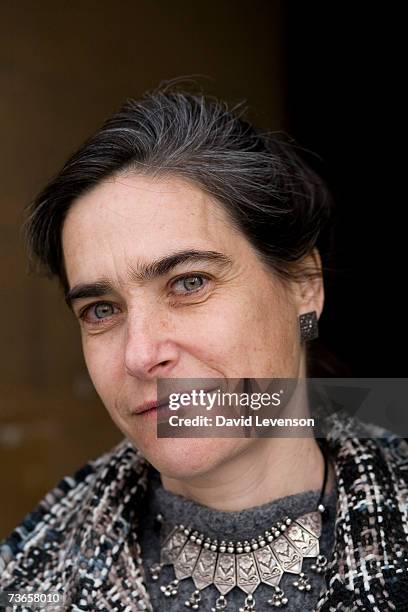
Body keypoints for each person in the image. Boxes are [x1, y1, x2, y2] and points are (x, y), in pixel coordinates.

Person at [1, 82, 407, 612]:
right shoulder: (29, 585)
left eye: (189, 282)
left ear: (304, 284)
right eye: (101, 310)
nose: (140, 354)